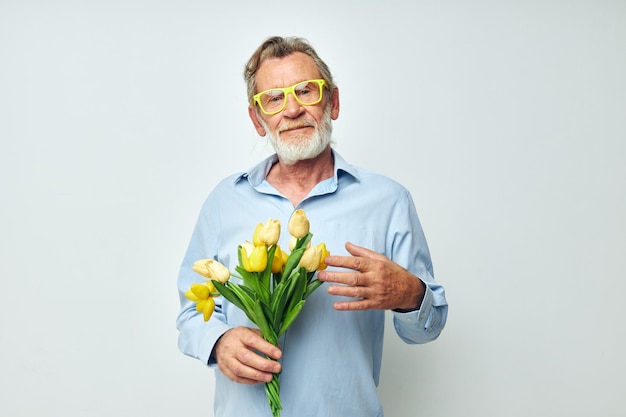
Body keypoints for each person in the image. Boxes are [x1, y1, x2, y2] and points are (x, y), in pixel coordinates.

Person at [176, 36, 448, 417]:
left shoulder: (388, 201)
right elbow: (190, 313)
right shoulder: (224, 201)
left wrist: (410, 293)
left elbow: (426, 328)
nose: (291, 110)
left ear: (332, 103)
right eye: (273, 98)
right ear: (258, 120)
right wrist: (217, 342)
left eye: (305, 91)